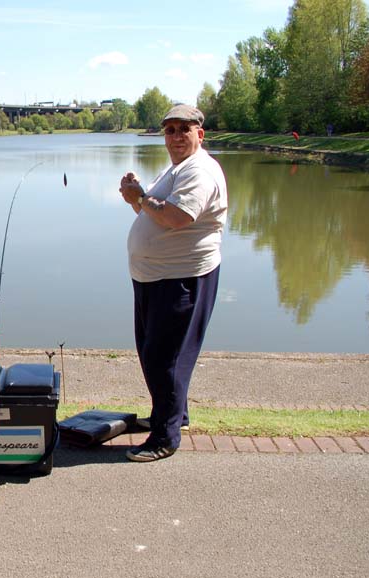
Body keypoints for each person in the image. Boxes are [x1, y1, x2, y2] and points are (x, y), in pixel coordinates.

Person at [118, 104, 228, 462]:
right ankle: (172, 415)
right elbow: (158, 213)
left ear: (200, 133)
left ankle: (164, 438)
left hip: (181, 278)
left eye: (185, 129)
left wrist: (140, 198)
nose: (177, 136)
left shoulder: (199, 170)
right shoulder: (180, 167)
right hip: (157, 276)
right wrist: (137, 198)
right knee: (157, 353)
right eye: (170, 129)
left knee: (164, 357)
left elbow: (178, 217)